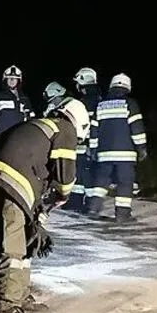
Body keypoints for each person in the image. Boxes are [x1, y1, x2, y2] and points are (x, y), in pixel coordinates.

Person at [0, 100, 88, 313]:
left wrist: (36, 217)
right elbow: (65, 175)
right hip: (12, 181)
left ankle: (20, 296)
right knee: (13, 245)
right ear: (80, 124)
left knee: (25, 237)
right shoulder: (65, 128)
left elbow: (31, 167)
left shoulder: (40, 126)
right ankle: (4, 306)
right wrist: (62, 195)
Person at [85, 73, 147, 222]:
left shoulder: (100, 105)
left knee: (101, 182)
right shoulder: (130, 104)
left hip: (104, 153)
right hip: (125, 154)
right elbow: (137, 129)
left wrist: (93, 149)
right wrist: (141, 148)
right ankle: (122, 215)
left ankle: (93, 209)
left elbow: (94, 130)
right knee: (125, 183)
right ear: (127, 87)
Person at [66, 67, 102, 212]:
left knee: (83, 174)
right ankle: (83, 203)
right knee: (85, 174)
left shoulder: (85, 102)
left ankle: (82, 204)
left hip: (85, 144)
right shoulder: (99, 100)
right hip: (94, 144)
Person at [0, 65, 33, 140]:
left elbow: (31, 119)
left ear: (18, 81)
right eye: (9, 78)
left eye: (14, 78)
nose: (12, 80)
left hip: (21, 138)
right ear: (5, 80)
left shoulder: (24, 99)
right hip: (4, 138)